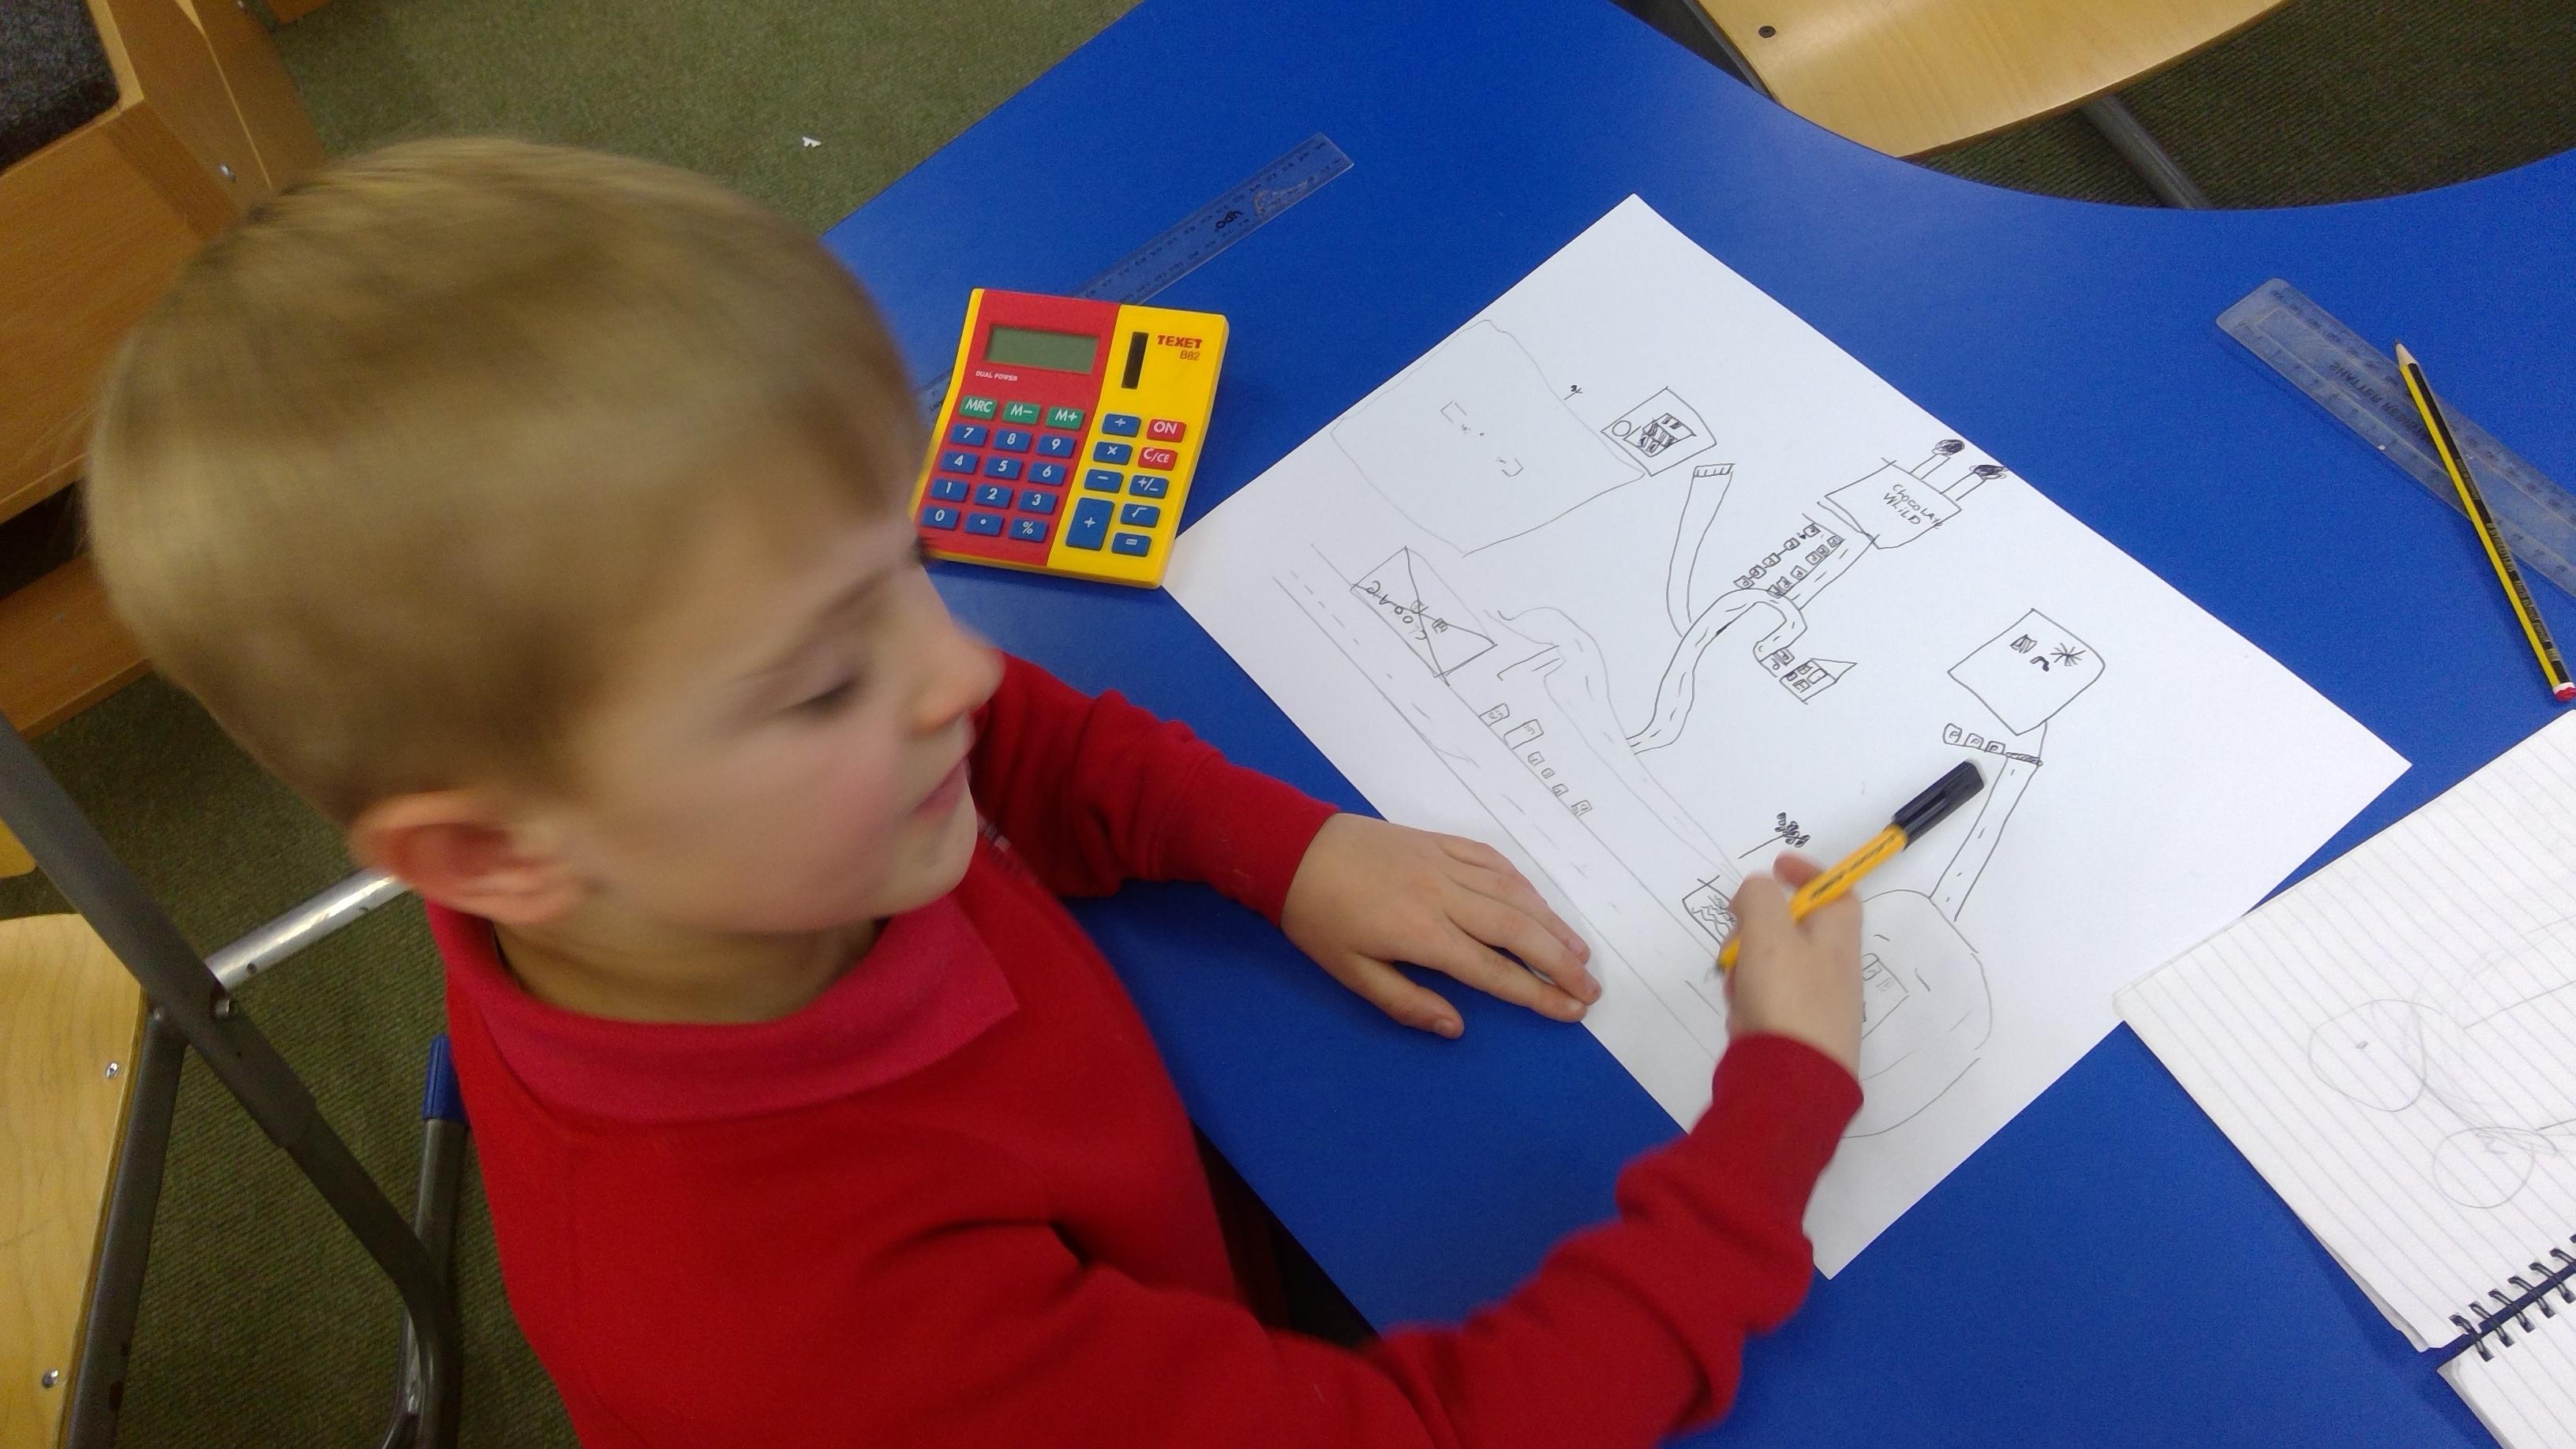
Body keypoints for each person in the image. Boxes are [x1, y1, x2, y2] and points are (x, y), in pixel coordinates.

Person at [84, 138, 1864, 1447]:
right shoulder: (813, 1336)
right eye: (821, 677)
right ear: (484, 853)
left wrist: (1282, 846)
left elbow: (1010, 737)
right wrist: (1779, 1117)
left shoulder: (663, 852)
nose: (954, 671)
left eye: (909, 566)